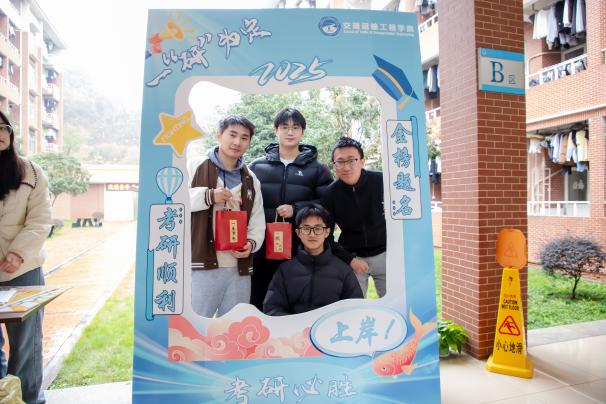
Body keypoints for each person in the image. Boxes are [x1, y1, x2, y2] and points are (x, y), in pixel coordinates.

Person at [248, 108, 332, 311]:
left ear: (302, 132)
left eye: (295, 127)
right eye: (284, 127)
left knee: (297, 304)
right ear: (276, 130)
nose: (290, 132)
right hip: (262, 250)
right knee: (258, 302)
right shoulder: (256, 167)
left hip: (300, 249)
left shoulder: (317, 169)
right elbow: (246, 203)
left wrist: (297, 209)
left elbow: (328, 203)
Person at [188, 115, 265, 317]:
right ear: (219, 135)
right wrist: (208, 196)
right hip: (201, 264)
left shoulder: (251, 178)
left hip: (238, 267)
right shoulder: (195, 166)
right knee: (197, 324)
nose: (237, 142)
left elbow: (257, 219)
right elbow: (174, 202)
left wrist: (251, 244)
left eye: (244, 138)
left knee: (234, 326)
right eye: (232, 135)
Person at [0, 110, 51, 404]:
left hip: (24, 269)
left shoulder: (31, 172)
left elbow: (40, 220)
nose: (0, 133)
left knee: (26, 344)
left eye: (3, 127)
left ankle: (29, 399)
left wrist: (18, 253)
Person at [263, 204, 362, 315]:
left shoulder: (343, 271)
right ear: (298, 233)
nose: (312, 234)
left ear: (327, 232)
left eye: (318, 229)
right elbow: (272, 308)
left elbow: (355, 310)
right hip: (295, 326)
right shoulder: (285, 270)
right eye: (306, 229)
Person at [321, 137, 387, 298]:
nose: (346, 167)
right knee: (355, 307)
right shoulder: (330, 194)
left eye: (352, 160)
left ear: (362, 161)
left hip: (386, 254)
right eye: (340, 162)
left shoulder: (383, 182)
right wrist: (349, 259)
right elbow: (325, 236)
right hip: (353, 258)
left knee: (394, 306)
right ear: (334, 165)